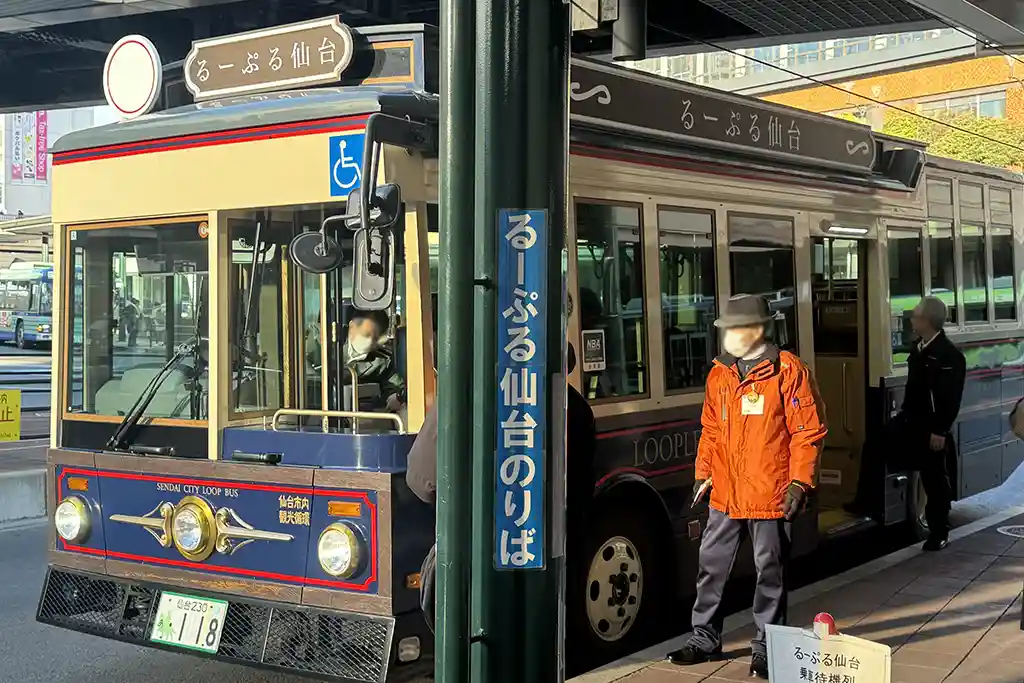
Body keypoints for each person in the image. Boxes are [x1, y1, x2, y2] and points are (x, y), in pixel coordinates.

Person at [668, 294, 826, 680]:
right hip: (724, 491)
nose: (728, 336)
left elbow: (808, 432)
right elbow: (710, 429)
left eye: (735, 329)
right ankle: (704, 638)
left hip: (770, 493)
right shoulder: (720, 374)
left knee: (769, 572)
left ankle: (767, 647)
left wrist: (799, 483)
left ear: (758, 330)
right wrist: (703, 473)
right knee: (711, 566)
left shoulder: (788, 371)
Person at [897, 296, 965, 551]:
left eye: (915, 316)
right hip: (911, 420)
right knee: (876, 443)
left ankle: (939, 531)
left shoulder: (949, 355)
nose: (911, 319)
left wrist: (940, 431)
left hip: (933, 427)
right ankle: (863, 502)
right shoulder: (919, 348)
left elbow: (950, 399)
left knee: (934, 478)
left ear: (926, 321)